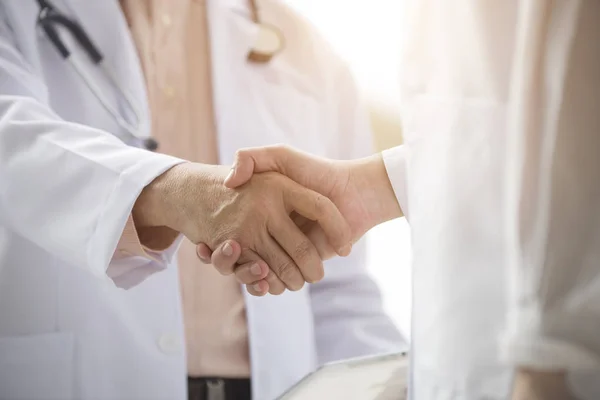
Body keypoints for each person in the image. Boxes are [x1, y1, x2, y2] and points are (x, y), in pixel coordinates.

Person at [0, 1, 403, 400]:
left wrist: (396, 382)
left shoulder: (303, 47)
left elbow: (337, 289)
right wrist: (180, 194)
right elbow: (12, 140)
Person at [198, 1, 600, 399]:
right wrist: (379, 185)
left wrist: (549, 357)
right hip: (476, 351)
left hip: (546, 367)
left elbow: (577, 121)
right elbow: (499, 123)